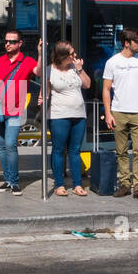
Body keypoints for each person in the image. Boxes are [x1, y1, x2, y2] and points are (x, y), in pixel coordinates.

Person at [102, 28, 138, 201]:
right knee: (121, 151)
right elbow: (106, 89)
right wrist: (108, 113)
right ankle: (125, 184)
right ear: (126, 43)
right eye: (136, 42)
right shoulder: (112, 62)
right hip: (119, 112)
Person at [0, 29, 41, 196]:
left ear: (20, 43)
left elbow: (39, 72)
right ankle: (8, 180)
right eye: (6, 41)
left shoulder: (27, 61)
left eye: (11, 41)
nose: (7, 44)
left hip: (16, 110)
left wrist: (40, 53)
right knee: (2, 146)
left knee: (10, 145)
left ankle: (15, 182)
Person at [47, 40, 90, 197]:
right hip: (59, 115)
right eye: (72, 53)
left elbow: (88, 84)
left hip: (79, 115)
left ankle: (77, 184)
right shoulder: (49, 70)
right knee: (58, 150)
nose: (75, 55)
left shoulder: (75, 67)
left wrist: (80, 69)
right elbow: (44, 93)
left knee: (75, 150)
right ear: (62, 56)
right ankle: (59, 184)